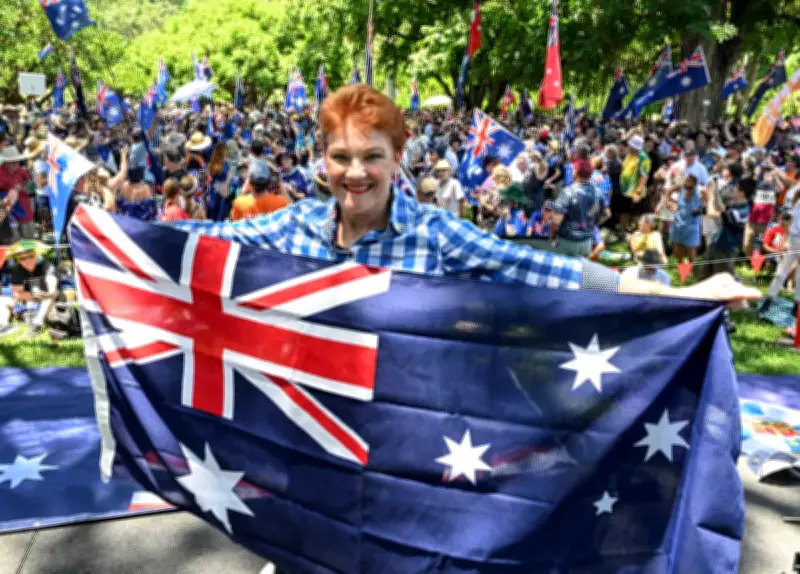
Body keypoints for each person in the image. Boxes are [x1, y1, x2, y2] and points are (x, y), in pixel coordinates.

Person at [171, 85, 760, 307]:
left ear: (398, 158)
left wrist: (676, 294)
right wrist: (117, 233)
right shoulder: (292, 224)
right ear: (321, 159)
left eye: (372, 156)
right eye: (341, 156)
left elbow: (546, 270)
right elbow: (202, 239)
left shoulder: (437, 235)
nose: (356, 172)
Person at [0, 241, 58, 336]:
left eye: (30, 256)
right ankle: (4, 325)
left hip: (47, 301)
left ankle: (37, 324)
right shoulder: (17, 269)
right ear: (18, 260)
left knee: (52, 295)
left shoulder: (46, 266)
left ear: (36, 255)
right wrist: (32, 296)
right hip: (28, 301)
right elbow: (17, 293)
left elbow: (52, 288)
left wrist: (45, 294)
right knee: (2, 299)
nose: (27, 260)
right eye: (22, 258)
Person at [760, 187, 800, 320]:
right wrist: (784, 242)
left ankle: (797, 305)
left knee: (799, 277)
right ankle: (769, 299)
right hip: (792, 240)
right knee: (780, 273)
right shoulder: (797, 203)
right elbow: (788, 225)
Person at [550, 159, 605, 257]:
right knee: (580, 266)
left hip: (568, 241)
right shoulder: (598, 192)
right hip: (587, 242)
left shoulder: (568, 192)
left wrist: (552, 235)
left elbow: (556, 221)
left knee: (565, 266)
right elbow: (603, 214)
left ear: (576, 172)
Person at [702, 178, 753, 278]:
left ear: (742, 193)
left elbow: (711, 213)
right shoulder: (737, 204)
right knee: (705, 276)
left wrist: (711, 197)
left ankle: (736, 281)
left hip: (725, 250)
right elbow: (722, 209)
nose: (734, 189)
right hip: (717, 244)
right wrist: (715, 192)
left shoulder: (741, 212)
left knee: (721, 280)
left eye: (736, 188)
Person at [616, 135, 651, 238]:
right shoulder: (629, 154)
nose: (629, 147)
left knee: (636, 215)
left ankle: (643, 236)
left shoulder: (644, 158)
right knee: (623, 212)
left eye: (631, 146)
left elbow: (644, 176)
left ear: (635, 147)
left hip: (635, 192)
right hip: (625, 191)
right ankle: (623, 233)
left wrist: (638, 192)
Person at [669, 174, 704, 267]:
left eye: (689, 181)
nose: (686, 182)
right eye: (686, 180)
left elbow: (709, 198)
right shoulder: (681, 188)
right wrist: (669, 204)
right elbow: (668, 191)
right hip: (678, 223)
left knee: (691, 249)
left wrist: (703, 207)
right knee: (678, 249)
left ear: (694, 183)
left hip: (692, 225)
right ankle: (681, 269)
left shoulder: (699, 191)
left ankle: (693, 270)